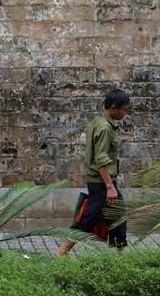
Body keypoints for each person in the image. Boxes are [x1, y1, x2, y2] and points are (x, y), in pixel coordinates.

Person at [56, 88, 130, 256]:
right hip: (102, 182)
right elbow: (101, 159)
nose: (125, 113)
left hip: (101, 181)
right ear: (113, 107)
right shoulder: (104, 127)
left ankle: (120, 252)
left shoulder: (99, 121)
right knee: (89, 218)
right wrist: (110, 186)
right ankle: (63, 250)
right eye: (123, 109)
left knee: (117, 214)